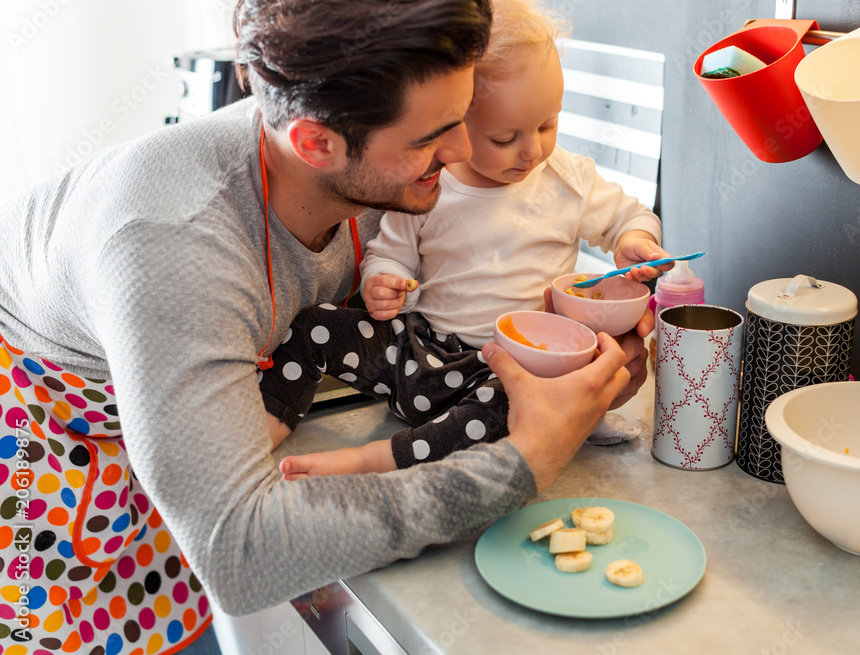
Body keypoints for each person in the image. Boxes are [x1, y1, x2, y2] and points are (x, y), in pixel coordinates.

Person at [0, 1, 648, 653]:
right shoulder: (175, 248)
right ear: (317, 142)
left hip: (167, 416)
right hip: (50, 438)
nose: (463, 152)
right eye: (435, 134)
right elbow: (240, 553)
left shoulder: (370, 166)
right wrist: (524, 461)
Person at [259, 0, 666, 478]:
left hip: (512, 372)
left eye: (547, 124)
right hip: (418, 354)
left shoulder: (567, 178)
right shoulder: (430, 183)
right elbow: (390, 252)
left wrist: (635, 238)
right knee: (312, 327)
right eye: (504, 137)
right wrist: (383, 279)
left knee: (509, 407)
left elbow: (628, 215)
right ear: (455, 121)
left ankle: (375, 458)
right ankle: (269, 424)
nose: (532, 149)